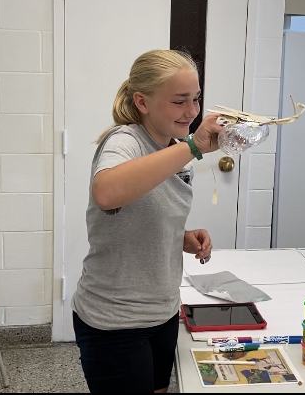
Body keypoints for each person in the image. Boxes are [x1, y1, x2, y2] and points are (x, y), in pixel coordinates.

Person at [72, 49, 223, 393]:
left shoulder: (173, 147)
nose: (192, 111)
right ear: (142, 102)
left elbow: (139, 213)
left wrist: (180, 236)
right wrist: (193, 146)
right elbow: (107, 193)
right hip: (115, 320)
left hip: (162, 311)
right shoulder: (124, 140)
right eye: (179, 101)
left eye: (196, 99)